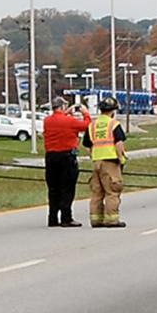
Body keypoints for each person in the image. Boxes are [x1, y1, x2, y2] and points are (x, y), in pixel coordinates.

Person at [41, 96, 89, 227]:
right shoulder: (70, 121)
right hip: (66, 157)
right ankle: (66, 217)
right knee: (67, 188)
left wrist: (67, 112)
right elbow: (86, 125)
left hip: (50, 157)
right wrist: (85, 113)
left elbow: (59, 119)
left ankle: (52, 217)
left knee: (53, 188)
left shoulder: (47, 121)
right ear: (62, 107)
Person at [83, 96, 128, 228]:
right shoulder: (114, 124)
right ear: (113, 111)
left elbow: (86, 145)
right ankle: (111, 220)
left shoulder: (92, 125)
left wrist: (94, 155)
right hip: (111, 162)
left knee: (97, 192)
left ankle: (96, 220)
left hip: (97, 162)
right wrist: (121, 158)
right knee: (112, 191)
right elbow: (119, 143)